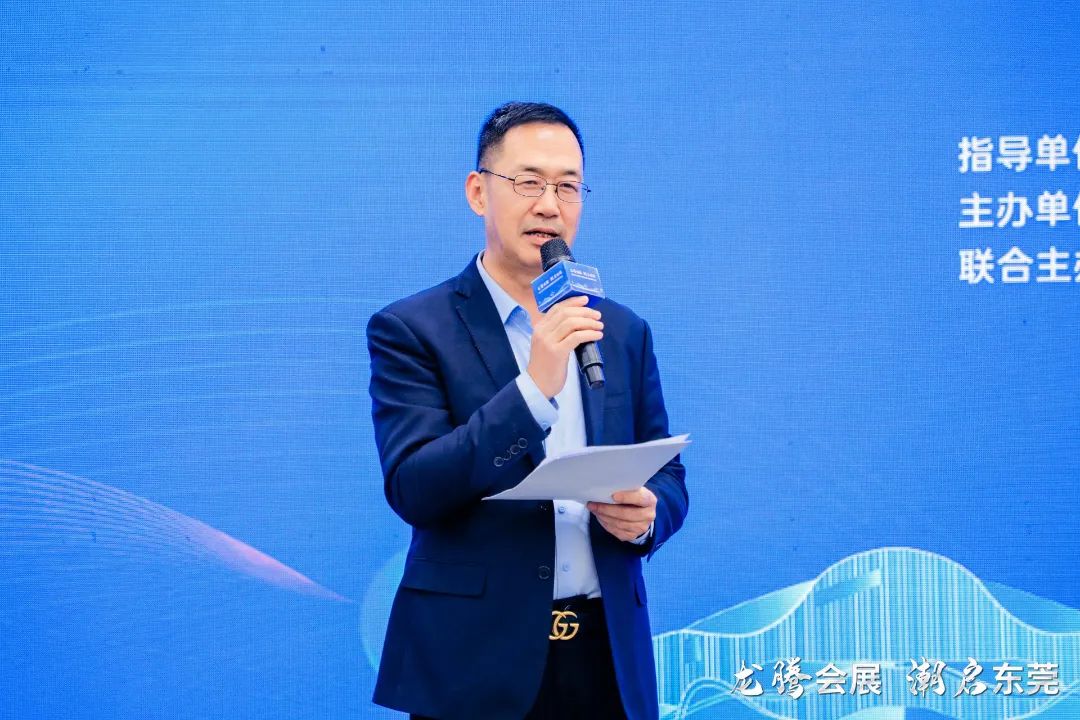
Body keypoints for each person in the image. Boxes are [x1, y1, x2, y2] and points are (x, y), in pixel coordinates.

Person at [367, 101, 688, 720]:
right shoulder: (412, 328)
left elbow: (666, 472)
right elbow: (414, 486)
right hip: (474, 664)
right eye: (528, 182)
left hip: (606, 659)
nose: (549, 205)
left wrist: (649, 516)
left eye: (568, 186)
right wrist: (533, 391)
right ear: (478, 192)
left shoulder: (620, 330)